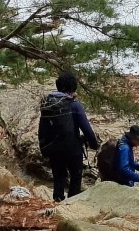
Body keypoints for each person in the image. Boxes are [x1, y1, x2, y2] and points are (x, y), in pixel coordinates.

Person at [38, 70, 99, 202]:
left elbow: (43, 127)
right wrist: (94, 144)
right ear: (73, 87)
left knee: (58, 177)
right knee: (76, 178)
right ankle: (72, 204)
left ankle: (57, 201)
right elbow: (86, 129)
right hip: (73, 149)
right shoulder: (75, 105)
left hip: (54, 149)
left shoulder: (48, 104)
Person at [114, 123, 139, 188]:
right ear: (133, 138)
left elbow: (130, 162)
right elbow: (123, 169)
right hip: (123, 183)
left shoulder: (126, 144)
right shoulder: (125, 148)